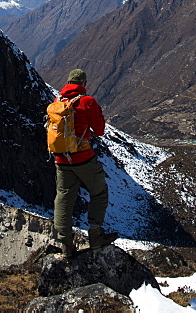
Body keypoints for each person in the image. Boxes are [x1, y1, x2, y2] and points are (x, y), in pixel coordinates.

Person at [51, 68, 118, 255]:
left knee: (64, 197)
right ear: (84, 84)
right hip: (83, 158)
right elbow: (99, 130)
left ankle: (66, 244)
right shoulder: (87, 102)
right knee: (99, 191)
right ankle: (96, 235)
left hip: (61, 159)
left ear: (68, 82)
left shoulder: (57, 102)